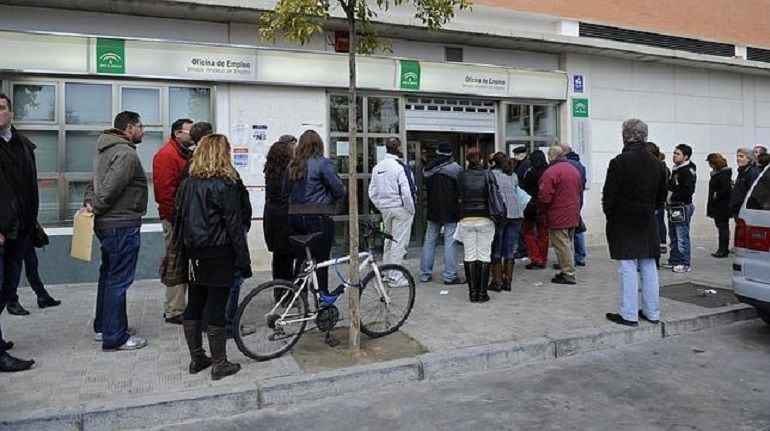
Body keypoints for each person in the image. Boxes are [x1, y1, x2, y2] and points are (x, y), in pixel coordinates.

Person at [177, 134, 252, 380]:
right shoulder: (225, 183)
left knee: (195, 302)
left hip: (193, 252)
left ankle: (197, 357)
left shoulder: (188, 183)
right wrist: (244, 261)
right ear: (223, 154)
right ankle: (220, 363)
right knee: (217, 306)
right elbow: (234, 225)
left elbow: (179, 218)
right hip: (219, 252)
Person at [84, 111, 148, 351]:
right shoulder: (126, 153)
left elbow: (93, 184)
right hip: (121, 224)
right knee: (119, 281)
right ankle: (115, 336)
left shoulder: (104, 150)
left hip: (107, 224)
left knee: (109, 276)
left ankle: (105, 326)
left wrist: (91, 206)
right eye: (140, 126)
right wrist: (97, 206)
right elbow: (110, 189)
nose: (143, 131)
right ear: (130, 128)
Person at [603, 118, 667, 327]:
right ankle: (652, 312)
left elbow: (609, 196)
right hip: (647, 218)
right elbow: (661, 197)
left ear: (625, 136)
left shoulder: (619, 162)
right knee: (649, 265)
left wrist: (610, 215)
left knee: (627, 266)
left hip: (623, 219)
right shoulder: (657, 164)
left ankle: (629, 313)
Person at [0, 92, 35, 371]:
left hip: (21, 227)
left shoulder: (22, 144)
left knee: (8, 286)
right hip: (1, 230)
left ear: (11, 113)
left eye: (1, 108)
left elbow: (27, 185)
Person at [286, 130, 346, 296]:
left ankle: (298, 295)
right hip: (318, 216)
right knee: (321, 261)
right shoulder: (322, 163)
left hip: (294, 217)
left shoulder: (292, 165)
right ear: (318, 144)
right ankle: (323, 298)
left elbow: (286, 191)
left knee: (301, 259)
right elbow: (338, 188)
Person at [153, 118, 194, 325]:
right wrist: (176, 220)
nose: (193, 134)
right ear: (178, 133)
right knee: (176, 262)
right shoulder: (167, 155)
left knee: (180, 262)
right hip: (174, 220)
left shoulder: (182, 153)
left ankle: (176, 307)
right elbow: (164, 193)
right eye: (189, 131)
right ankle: (174, 309)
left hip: (181, 219)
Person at [369, 137, 415, 287]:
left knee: (388, 241)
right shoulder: (400, 167)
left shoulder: (378, 167)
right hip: (401, 208)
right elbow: (407, 192)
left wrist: (381, 206)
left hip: (386, 209)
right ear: (399, 148)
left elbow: (372, 192)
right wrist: (411, 209)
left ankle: (387, 273)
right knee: (398, 243)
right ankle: (395, 276)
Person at [419, 142, 463, 284]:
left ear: (438, 152)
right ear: (450, 153)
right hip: (451, 210)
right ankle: (449, 275)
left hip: (433, 209)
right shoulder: (456, 169)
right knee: (450, 241)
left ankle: (425, 274)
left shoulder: (428, 168)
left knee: (430, 240)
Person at [538, 146, 583, 285]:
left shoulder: (551, 172)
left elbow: (545, 196)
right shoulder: (573, 170)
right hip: (572, 212)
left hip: (558, 213)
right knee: (567, 243)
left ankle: (568, 273)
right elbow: (580, 192)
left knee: (561, 245)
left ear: (551, 156)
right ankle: (567, 270)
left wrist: (541, 211)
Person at [458, 147, 494, 303]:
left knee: (469, 255)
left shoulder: (461, 176)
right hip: (485, 218)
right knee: (484, 256)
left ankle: (472, 294)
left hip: (466, 219)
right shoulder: (488, 175)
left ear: (467, 159)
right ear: (481, 159)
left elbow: (457, 196)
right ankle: (482, 293)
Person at [488, 152, 523, 292]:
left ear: (494, 162)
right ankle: (508, 282)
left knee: (496, 246)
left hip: (500, 214)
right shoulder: (513, 175)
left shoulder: (491, 175)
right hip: (516, 214)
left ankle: (496, 281)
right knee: (509, 248)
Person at [263, 138, 295, 282]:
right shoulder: (288, 172)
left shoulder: (269, 170)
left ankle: (279, 289)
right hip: (285, 215)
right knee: (288, 256)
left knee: (278, 256)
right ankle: (287, 291)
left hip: (271, 215)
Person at [664, 143, 696, 273]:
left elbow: (687, 190)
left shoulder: (687, 170)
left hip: (682, 205)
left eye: (677, 154)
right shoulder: (676, 169)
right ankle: (675, 259)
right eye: (674, 153)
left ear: (686, 156)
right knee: (673, 234)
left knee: (682, 234)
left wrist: (673, 197)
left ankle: (684, 262)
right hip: (673, 206)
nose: (674, 156)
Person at [520, 150, 549, 270]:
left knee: (527, 232)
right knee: (543, 233)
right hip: (544, 206)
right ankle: (543, 259)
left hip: (531, 206)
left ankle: (536, 257)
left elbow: (524, 188)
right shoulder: (548, 171)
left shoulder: (530, 173)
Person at [562, 143, 587, 267]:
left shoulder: (567, 165)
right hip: (578, 199)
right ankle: (580, 256)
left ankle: (569, 259)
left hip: (569, 200)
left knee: (567, 231)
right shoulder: (580, 164)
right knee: (578, 228)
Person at [705, 153, 732, 258]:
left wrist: (716, 195)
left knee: (722, 227)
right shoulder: (720, 174)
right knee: (722, 227)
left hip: (721, 206)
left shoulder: (722, 174)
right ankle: (723, 248)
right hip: (720, 205)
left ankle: (723, 249)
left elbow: (725, 189)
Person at [646, 142, 669, 258]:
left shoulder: (659, 168)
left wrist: (658, 204)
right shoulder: (660, 168)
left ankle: (658, 248)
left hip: (653, 205)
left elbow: (662, 189)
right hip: (653, 204)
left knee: (656, 226)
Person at [731, 148, 761, 218]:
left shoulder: (753, 172)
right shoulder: (742, 171)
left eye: (741, 156)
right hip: (737, 208)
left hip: (745, 210)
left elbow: (753, 192)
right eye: (737, 156)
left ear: (749, 159)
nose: (738, 159)